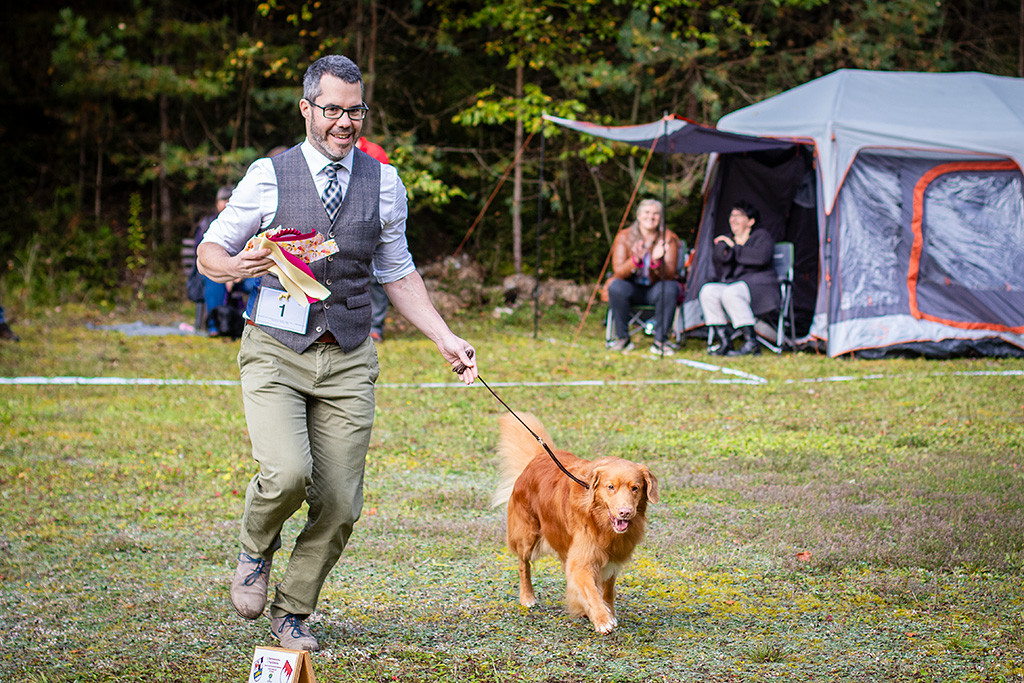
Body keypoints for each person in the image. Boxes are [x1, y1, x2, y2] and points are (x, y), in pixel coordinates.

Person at [196, 55, 478, 652]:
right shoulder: (268, 176)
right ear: (306, 108)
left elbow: (397, 272)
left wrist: (445, 338)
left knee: (341, 501)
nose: (345, 122)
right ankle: (254, 550)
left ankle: (294, 610)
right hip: (275, 348)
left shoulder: (387, 183)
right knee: (288, 473)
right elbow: (209, 252)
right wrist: (233, 265)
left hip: (348, 354)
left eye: (355, 110)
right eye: (333, 110)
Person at [698, 200, 779, 356]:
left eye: (739, 216)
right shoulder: (727, 240)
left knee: (732, 292)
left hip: (760, 286)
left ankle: (751, 343)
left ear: (750, 221)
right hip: (735, 285)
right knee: (708, 291)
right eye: (732, 216)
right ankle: (724, 340)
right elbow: (720, 263)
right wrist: (724, 248)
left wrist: (734, 247)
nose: (733, 219)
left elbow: (760, 259)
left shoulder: (761, 237)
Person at [607, 198, 682, 355]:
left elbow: (669, 274)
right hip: (632, 287)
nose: (651, 217)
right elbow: (619, 271)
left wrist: (656, 262)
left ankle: (661, 341)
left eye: (655, 214)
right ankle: (623, 339)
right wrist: (635, 261)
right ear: (639, 216)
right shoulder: (624, 236)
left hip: (655, 289)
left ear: (660, 218)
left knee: (670, 288)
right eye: (647, 213)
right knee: (615, 286)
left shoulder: (668, 238)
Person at [193, 186, 257, 336]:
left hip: (245, 271)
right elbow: (203, 253)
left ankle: (259, 326)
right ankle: (214, 327)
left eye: (230, 199)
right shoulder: (207, 223)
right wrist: (228, 270)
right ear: (217, 203)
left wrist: (238, 273)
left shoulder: (249, 222)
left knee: (263, 281)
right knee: (214, 280)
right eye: (223, 199)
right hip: (214, 269)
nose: (227, 202)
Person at [356, 137, 392, 342]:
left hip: (373, 221)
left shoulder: (375, 152)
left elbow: (383, 192)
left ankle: (375, 327)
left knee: (377, 278)